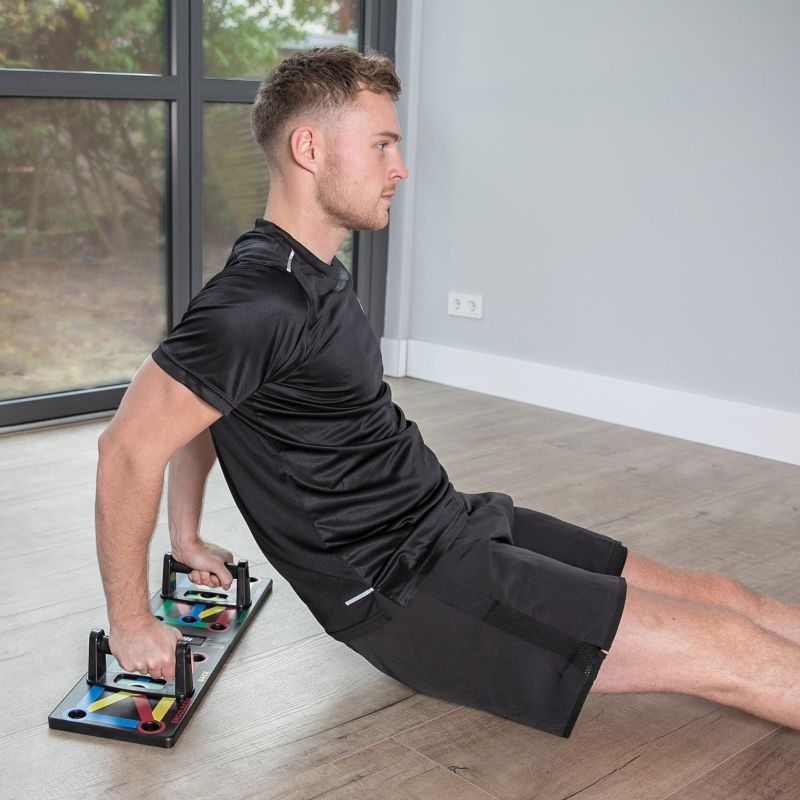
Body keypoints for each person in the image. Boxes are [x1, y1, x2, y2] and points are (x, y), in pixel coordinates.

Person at [96, 46, 800, 739]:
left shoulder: (306, 271)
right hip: (409, 591)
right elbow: (128, 448)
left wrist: (186, 536)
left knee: (723, 597)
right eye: (381, 144)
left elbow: (205, 406)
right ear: (309, 148)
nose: (400, 167)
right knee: (728, 648)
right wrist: (130, 622)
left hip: (450, 519)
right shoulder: (258, 300)